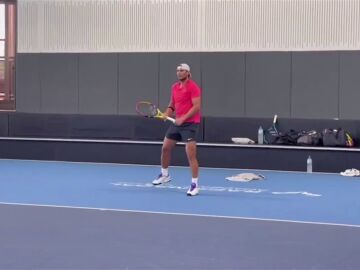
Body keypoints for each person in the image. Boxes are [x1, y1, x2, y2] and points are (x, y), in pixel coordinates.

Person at [152, 63, 202, 196]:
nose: (179, 72)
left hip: (190, 124)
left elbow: (196, 107)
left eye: (182, 70)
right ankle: (165, 175)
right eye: (177, 70)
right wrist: (167, 113)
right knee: (165, 148)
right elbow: (172, 105)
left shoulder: (193, 87)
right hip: (177, 123)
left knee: (190, 153)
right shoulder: (174, 87)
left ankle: (194, 185)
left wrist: (183, 118)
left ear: (188, 73)